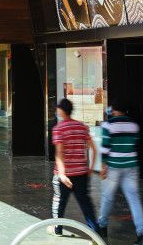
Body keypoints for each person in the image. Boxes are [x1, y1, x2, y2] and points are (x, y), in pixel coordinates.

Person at [97, 101, 143, 245]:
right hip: (131, 166)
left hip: (113, 166)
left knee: (107, 197)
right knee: (134, 198)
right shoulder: (134, 125)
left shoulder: (108, 125)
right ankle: (141, 233)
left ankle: (102, 226)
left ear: (113, 110)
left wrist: (103, 166)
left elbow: (105, 147)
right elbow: (135, 142)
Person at [50, 98, 100, 236]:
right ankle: (96, 232)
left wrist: (62, 174)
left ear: (61, 110)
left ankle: (58, 229)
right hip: (82, 174)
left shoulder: (58, 129)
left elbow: (59, 153)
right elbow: (94, 149)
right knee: (86, 204)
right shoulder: (81, 127)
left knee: (60, 203)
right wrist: (90, 168)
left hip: (65, 175)